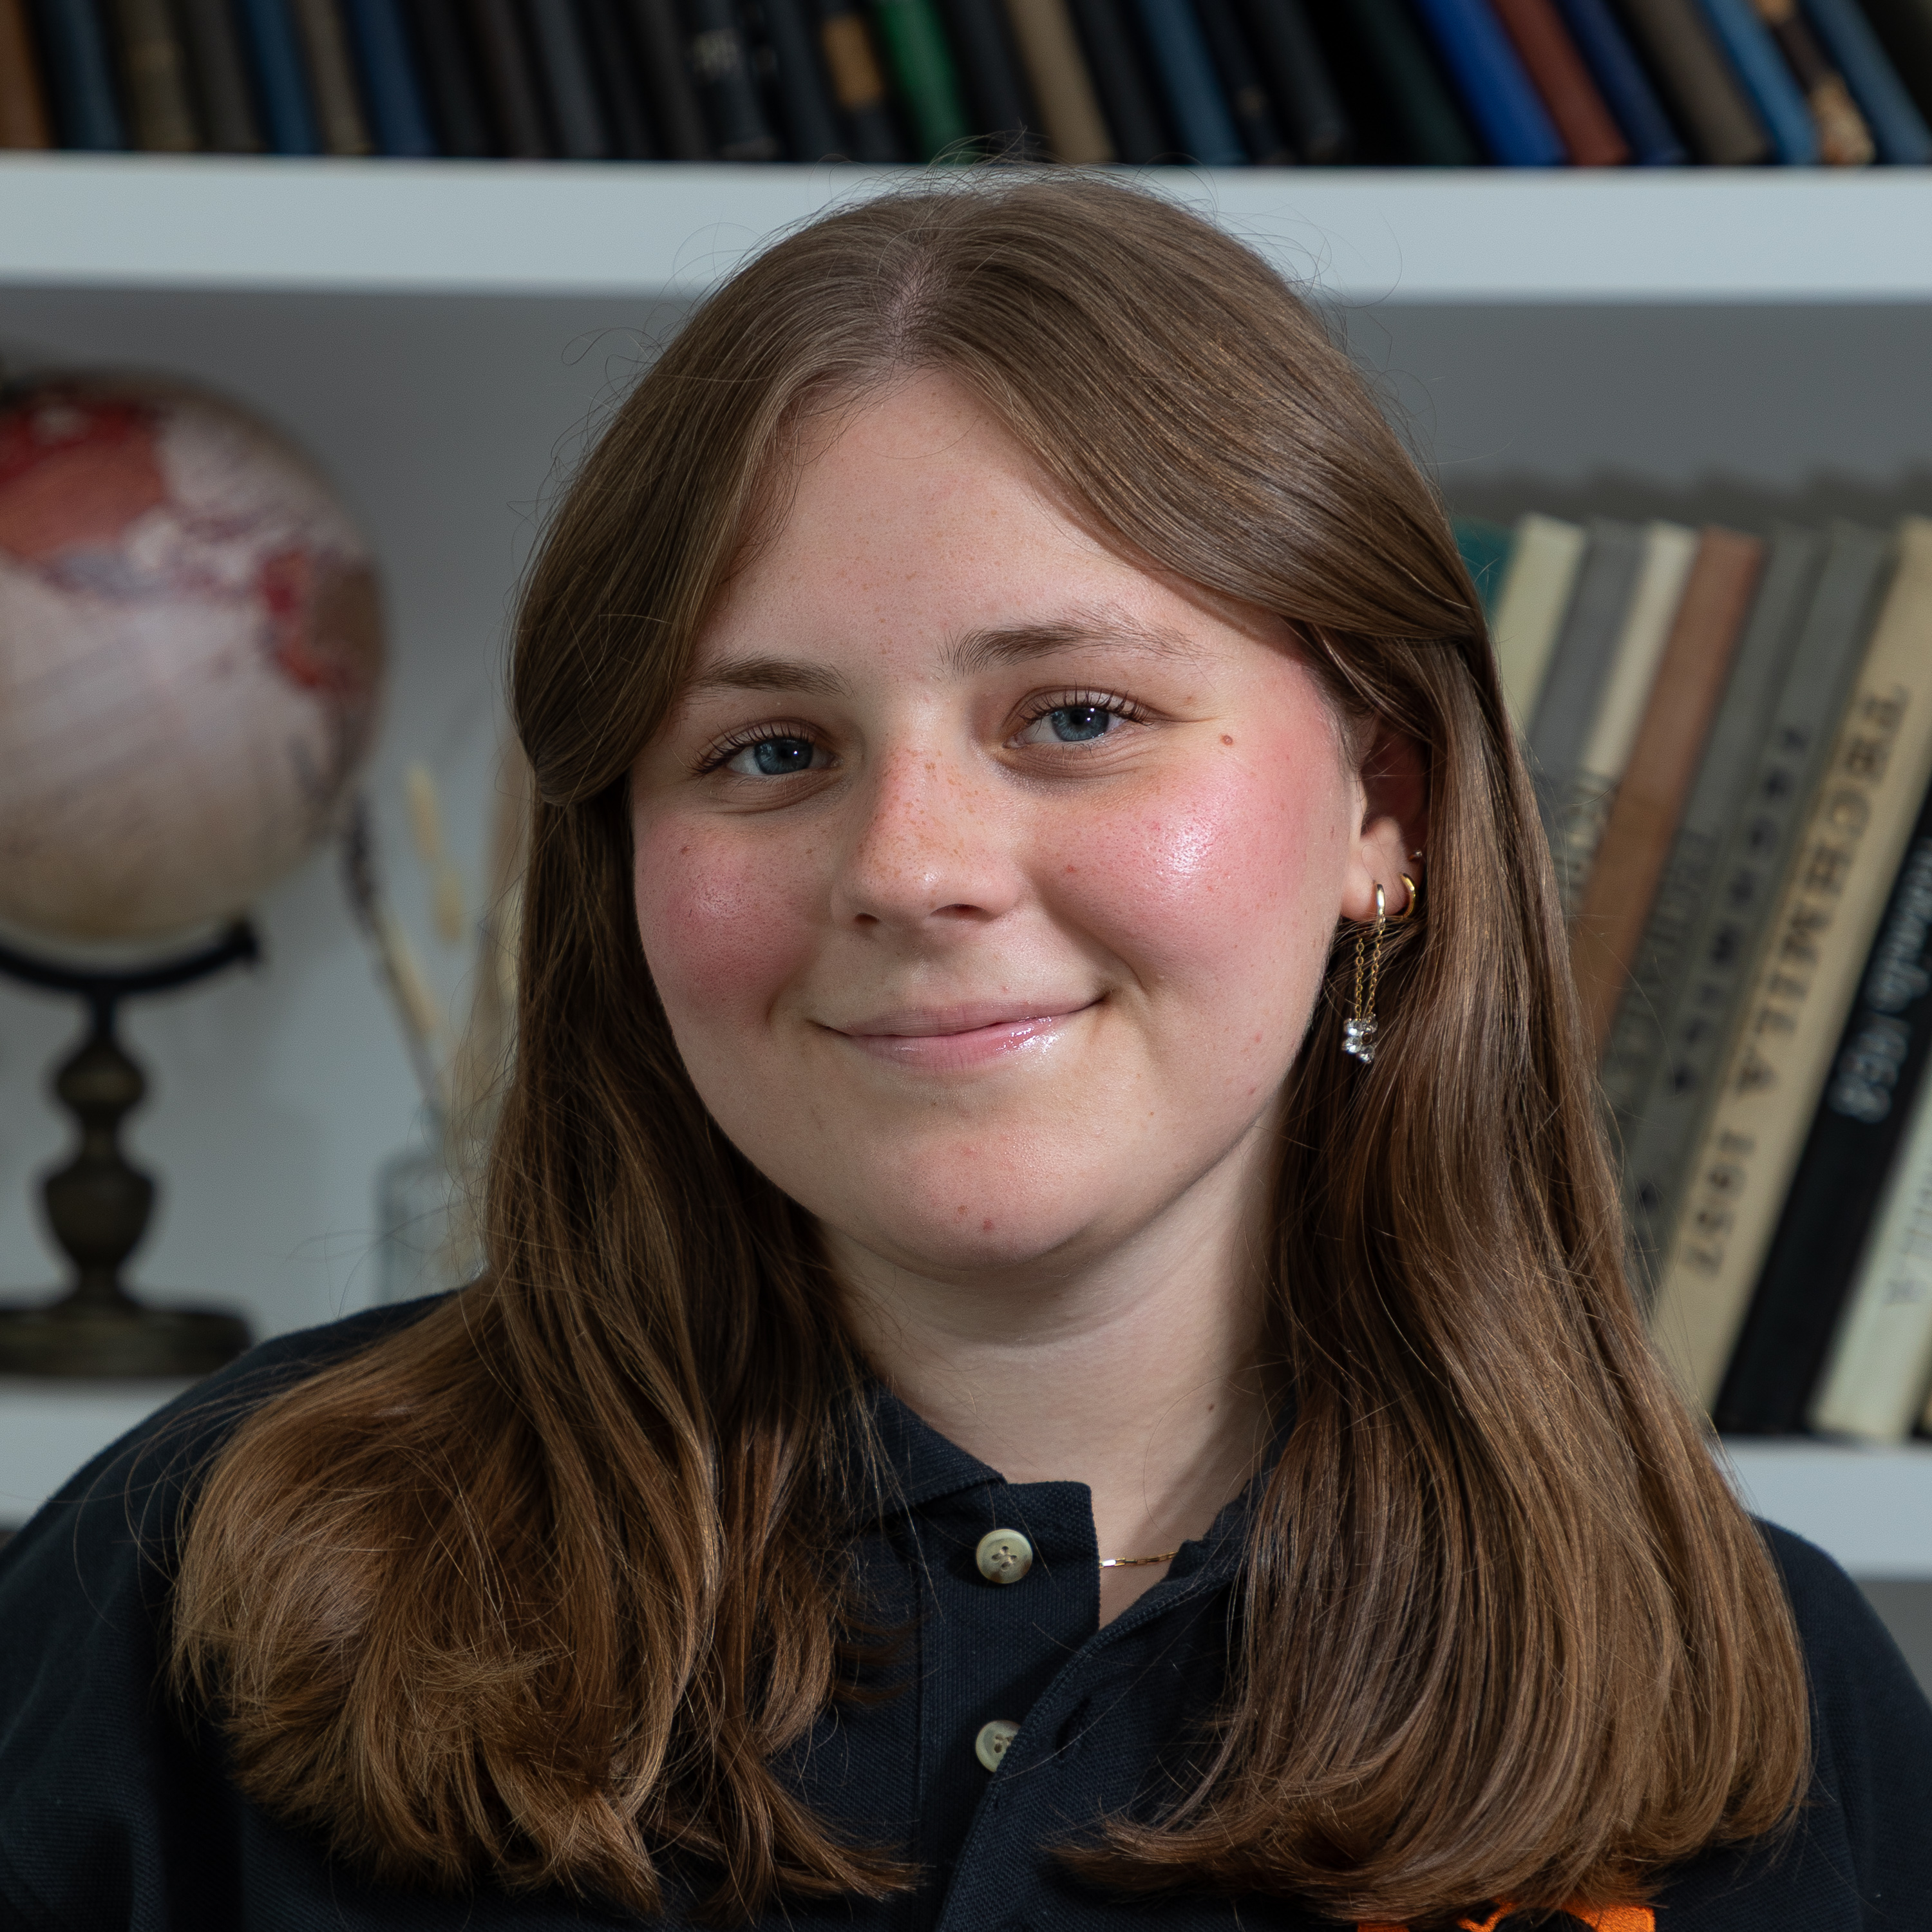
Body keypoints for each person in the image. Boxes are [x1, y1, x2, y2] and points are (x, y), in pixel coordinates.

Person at [1, 176, 1927, 1932]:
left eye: (1076, 714)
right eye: (769, 752)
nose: (910, 870)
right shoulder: (191, 1596)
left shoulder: (1767, 1710)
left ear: (1383, 803)